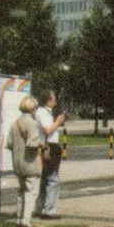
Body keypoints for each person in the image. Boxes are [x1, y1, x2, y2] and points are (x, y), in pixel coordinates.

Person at [5, 96, 43, 227]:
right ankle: (26, 221)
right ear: (33, 109)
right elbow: (32, 143)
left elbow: (9, 144)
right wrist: (41, 144)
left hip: (17, 162)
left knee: (21, 190)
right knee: (31, 191)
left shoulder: (15, 123)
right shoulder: (32, 123)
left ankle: (18, 218)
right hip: (30, 162)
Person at [35, 90, 65, 219]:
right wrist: (58, 122)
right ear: (48, 100)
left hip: (47, 146)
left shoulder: (44, 112)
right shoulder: (43, 112)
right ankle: (49, 210)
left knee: (45, 178)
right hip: (49, 147)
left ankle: (41, 207)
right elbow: (48, 130)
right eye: (53, 98)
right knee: (52, 179)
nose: (55, 100)